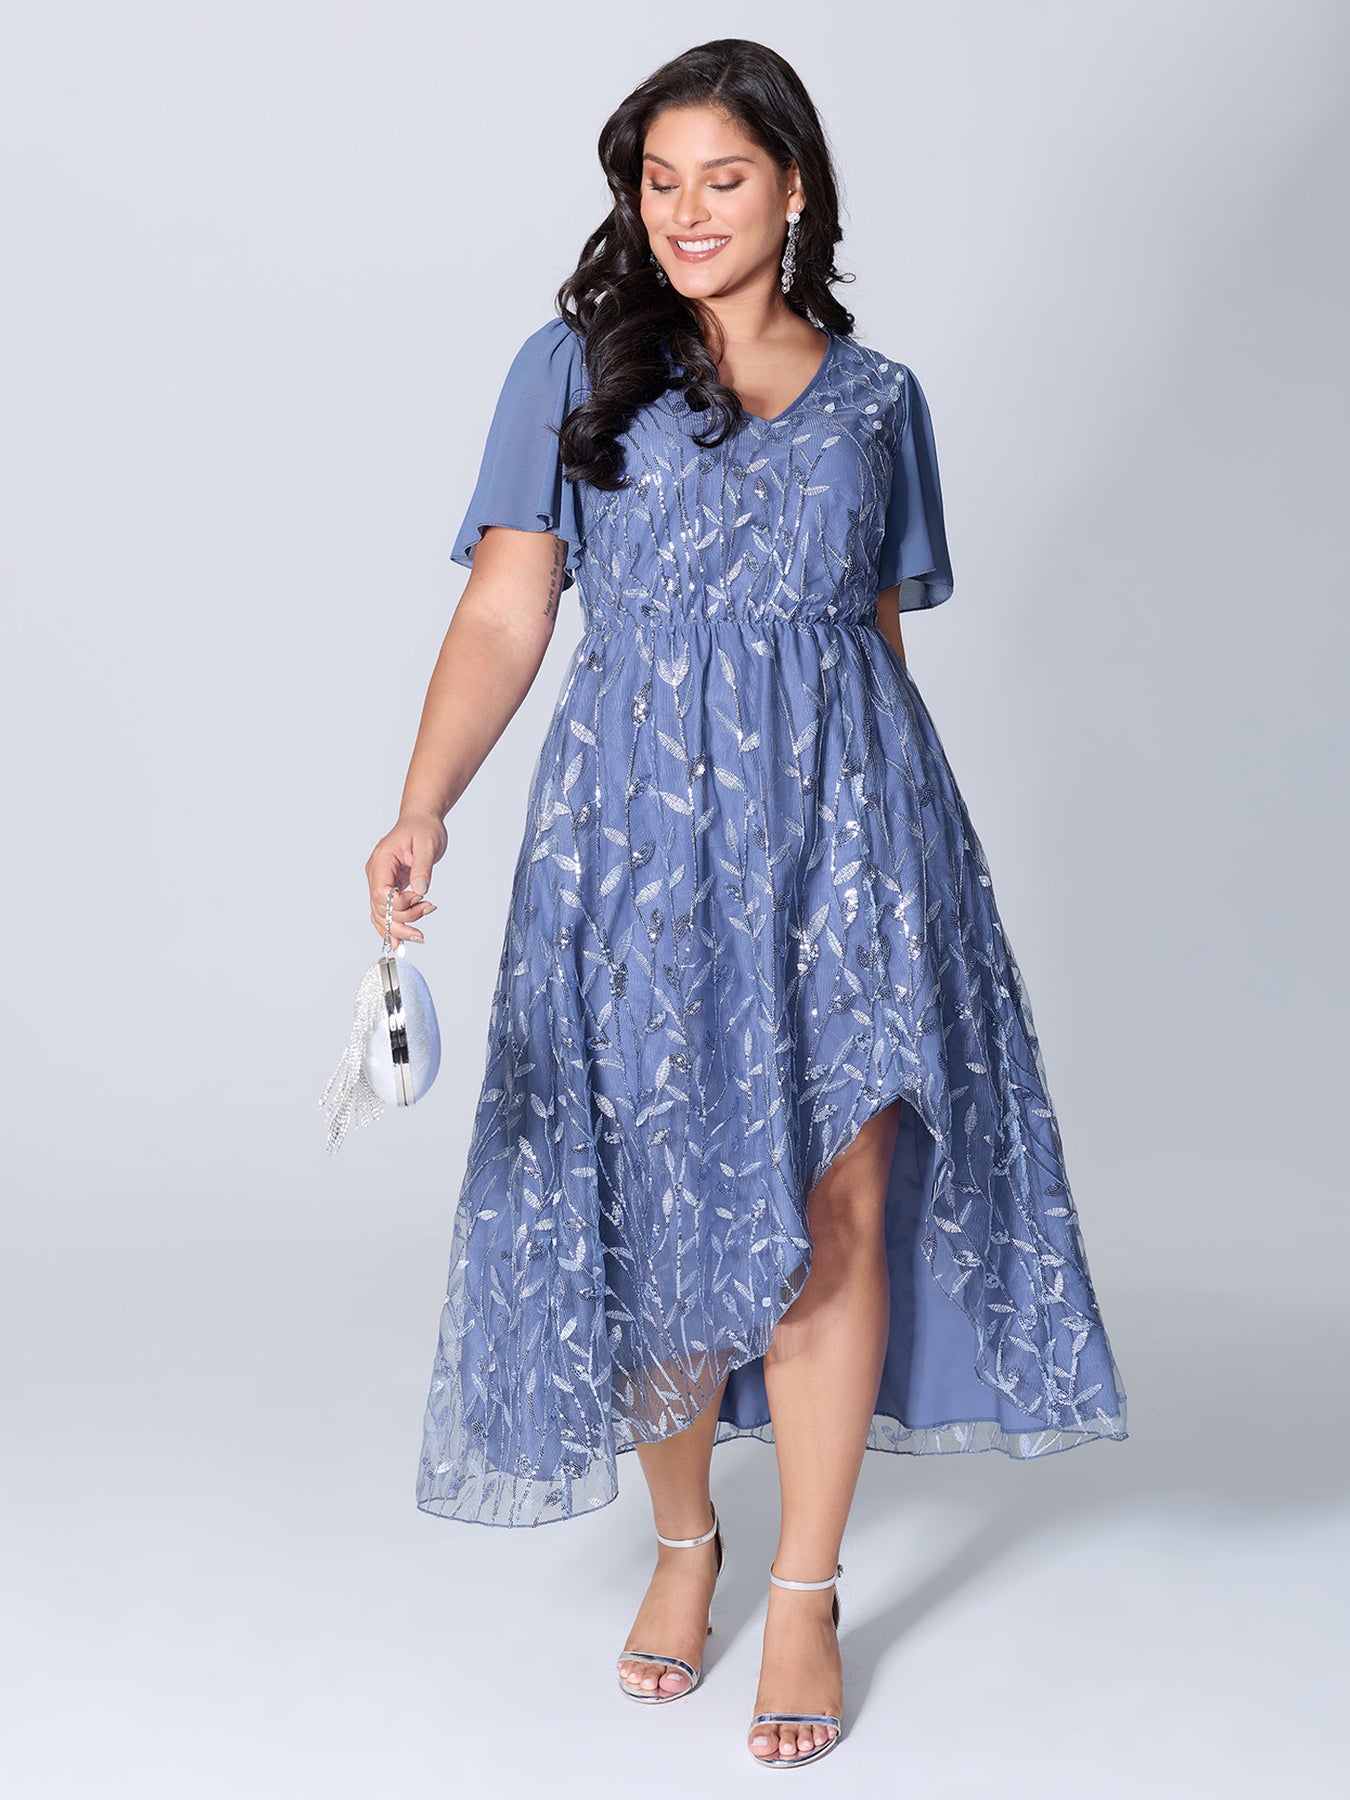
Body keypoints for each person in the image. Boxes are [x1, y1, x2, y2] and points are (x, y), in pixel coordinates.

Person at [364, 37, 1128, 1771]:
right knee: (660, 1192)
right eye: (659, 182)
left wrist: (899, 873)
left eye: (722, 178)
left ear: (793, 189)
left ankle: (802, 1588)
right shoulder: (574, 369)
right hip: (635, 843)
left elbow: (873, 651)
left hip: (851, 844)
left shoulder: (877, 400)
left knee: (834, 1200)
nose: (687, 211)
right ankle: (684, 1543)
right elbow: (505, 612)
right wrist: (423, 805)